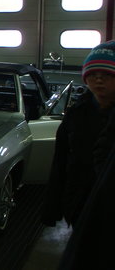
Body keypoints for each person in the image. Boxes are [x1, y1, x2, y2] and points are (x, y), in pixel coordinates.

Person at [41, 40, 115, 266]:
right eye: (93, 74)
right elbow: (61, 161)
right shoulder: (77, 113)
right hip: (79, 200)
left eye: (107, 74)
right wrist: (53, 207)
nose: (98, 79)